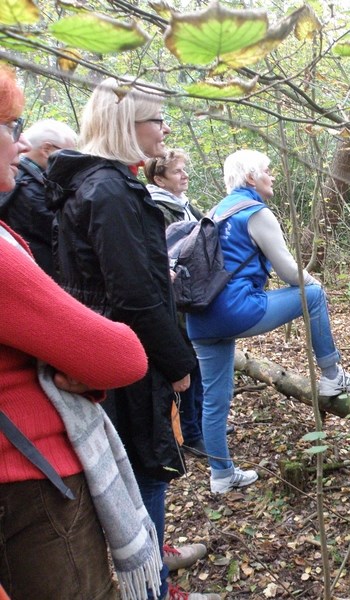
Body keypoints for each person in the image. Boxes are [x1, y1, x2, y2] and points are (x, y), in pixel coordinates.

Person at [47, 78, 219, 600]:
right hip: (125, 359)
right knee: (146, 472)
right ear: (128, 125)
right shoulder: (107, 190)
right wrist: (178, 361)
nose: (165, 129)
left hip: (115, 352)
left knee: (139, 472)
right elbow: (134, 295)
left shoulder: (104, 184)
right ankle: (150, 589)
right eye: (156, 119)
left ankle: (152, 580)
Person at [0, 65, 152, 600]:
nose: (17, 147)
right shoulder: (105, 191)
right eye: (10, 128)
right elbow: (123, 353)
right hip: (29, 477)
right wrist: (77, 361)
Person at [186, 149, 350, 494]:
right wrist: (316, 284)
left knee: (214, 399)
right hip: (235, 310)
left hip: (200, 318)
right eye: (267, 171)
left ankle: (221, 475)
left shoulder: (216, 211)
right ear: (251, 178)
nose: (273, 176)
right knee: (311, 295)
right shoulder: (255, 212)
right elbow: (287, 272)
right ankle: (332, 377)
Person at [144, 150, 207, 459]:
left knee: (200, 360)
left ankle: (203, 424)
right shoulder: (157, 208)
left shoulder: (184, 206)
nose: (185, 176)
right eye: (177, 172)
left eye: (184, 170)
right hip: (176, 301)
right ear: (158, 179)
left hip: (193, 296)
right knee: (188, 364)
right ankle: (193, 432)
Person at [0, 118, 77, 276]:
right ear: (47, 149)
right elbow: (69, 237)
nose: (73, 160)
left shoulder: (23, 182)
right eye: (70, 154)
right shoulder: (28, 189)